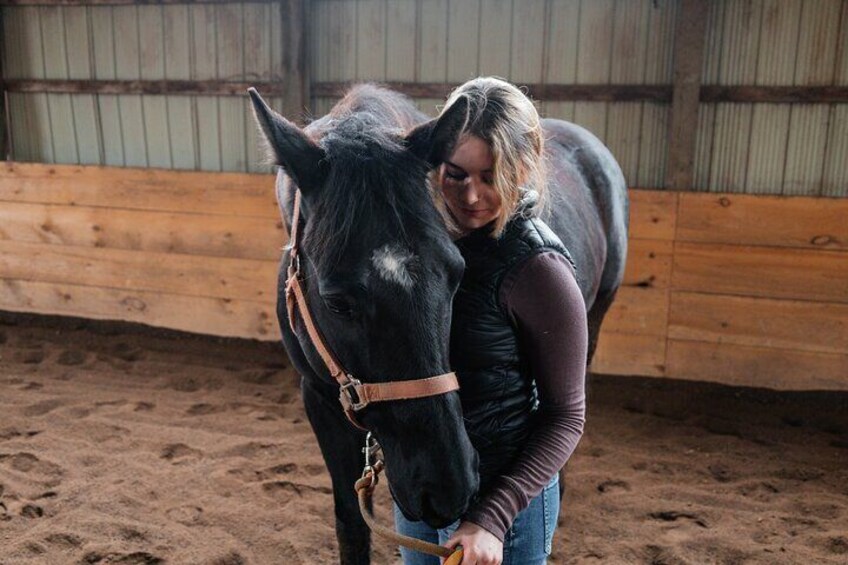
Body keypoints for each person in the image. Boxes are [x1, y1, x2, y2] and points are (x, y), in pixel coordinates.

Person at [392, 76, 588, 565]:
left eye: (491, 176)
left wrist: (492, 517)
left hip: (505, 499)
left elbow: (566, 416)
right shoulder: (422, 246)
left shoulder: (539, 270)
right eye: (456, 175)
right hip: (426, 486)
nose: (473, 196)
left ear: (524, 166)